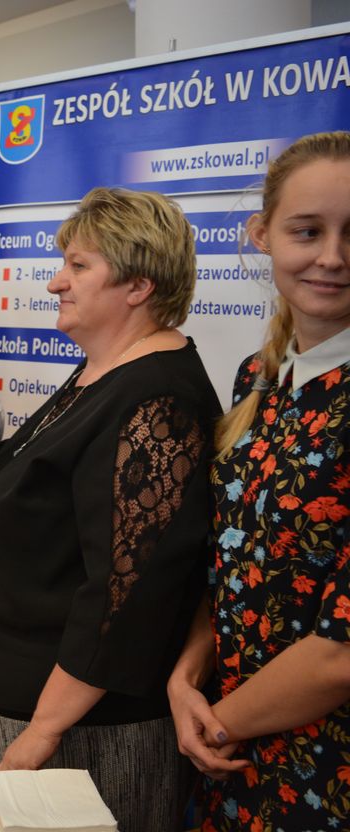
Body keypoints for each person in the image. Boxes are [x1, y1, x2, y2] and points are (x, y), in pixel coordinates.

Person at [0, 187, 220, 829]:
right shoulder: (99, 373)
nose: (55, 282)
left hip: (83, 732)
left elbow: (125, 599)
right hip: (14, 697)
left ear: (138, 285)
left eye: (78, 266)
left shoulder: (158, 401)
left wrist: (44, 730)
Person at [167, 132, 350, 830]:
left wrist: (217, 722)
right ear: (261, 234)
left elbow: (340, 654)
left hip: (321, 768)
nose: (332, 256)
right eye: (308, 231)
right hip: (230, 752)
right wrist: (186, 676)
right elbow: (234, 558)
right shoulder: (260, 375)